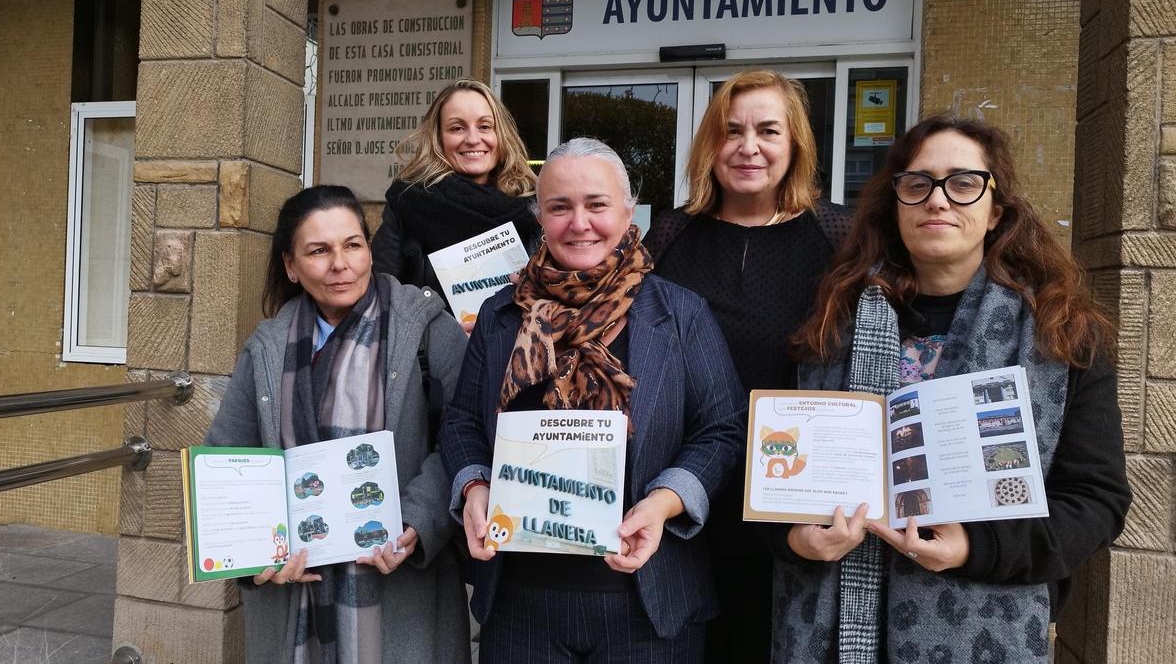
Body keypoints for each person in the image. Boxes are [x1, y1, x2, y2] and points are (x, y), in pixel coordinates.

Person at [776, 114, 1132, 662]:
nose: (937, 201)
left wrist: (977, 546)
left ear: (996, 211)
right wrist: (795, 540)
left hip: (988, 628)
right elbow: (769, 486)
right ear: (895, 206)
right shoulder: (827, 325)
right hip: (825, 630)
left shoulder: (1062, 336)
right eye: (917, 184)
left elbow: (1096, 500)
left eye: (963, 184)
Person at [439, 138, 746, 661]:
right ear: (540, 217)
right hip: (521, 602)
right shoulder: (501, 314)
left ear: (630, 214)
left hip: (648, 602)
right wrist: (473, 485)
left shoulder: (680, 314)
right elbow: (462, 421)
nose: (579, 223)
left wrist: (664, 501)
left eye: (597, 205)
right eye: (560, 207)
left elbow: (723, 429)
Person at [204, 185, 471, 663]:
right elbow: (229, 456)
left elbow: (465, 436)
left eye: (352, 245)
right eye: (318, 251)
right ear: (291, 266)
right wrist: (254, 556)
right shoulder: (267, 348)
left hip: (399, 588)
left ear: (370, 250)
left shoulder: (429, 331)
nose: (340, 264)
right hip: (294, 597)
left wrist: (416, 519)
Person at [641, 69, 850, 661]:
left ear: (797, 145)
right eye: (731, 131)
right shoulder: (670, 237)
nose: (748, 147)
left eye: (767, 131)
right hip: (682, 498)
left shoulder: (838, 236)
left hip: (795, 505)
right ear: (711, 144)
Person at [371, 78, 541, 324]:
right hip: (433, 357)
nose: (472, 139)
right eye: (457, 128)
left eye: (484, 126)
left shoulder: (533, 205)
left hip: (516, 352)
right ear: (438, 138)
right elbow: (382, 298)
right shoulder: (408, 201)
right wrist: (439, 337)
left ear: (500, 134)